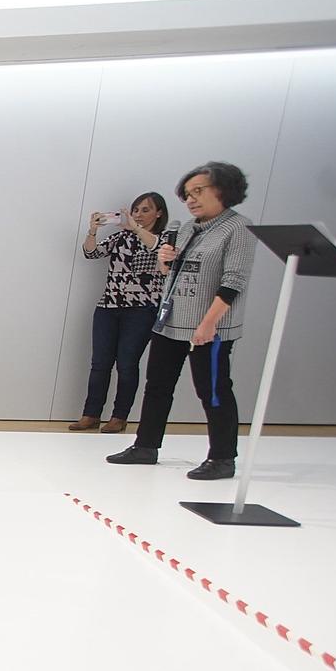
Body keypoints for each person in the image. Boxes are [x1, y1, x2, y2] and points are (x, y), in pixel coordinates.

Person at [108, 162, 258, 480]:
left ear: (224, 190)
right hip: (172, 321)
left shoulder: (238, 228)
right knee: (158, 386)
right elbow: (174, 275)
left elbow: (234, 281)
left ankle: (222, 458)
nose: (191, 199)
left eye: (199, 191)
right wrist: (165, 264)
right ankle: (146, 446)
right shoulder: (188, 227)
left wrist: (208, 324)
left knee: (213, 390)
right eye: (187, 194)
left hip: (210, 328)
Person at [73, 193, 170, 433]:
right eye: (136, 210)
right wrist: (93, 231)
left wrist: (136, 228)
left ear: (159, 213)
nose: (138, 214)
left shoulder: (164, 238)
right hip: (108, 307)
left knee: (127, 363)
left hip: (141, 309)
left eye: (145, 210)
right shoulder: (121, 237)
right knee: (100, 363)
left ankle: (119, 416)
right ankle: (91, 414)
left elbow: (156, 248)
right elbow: (92, 253)